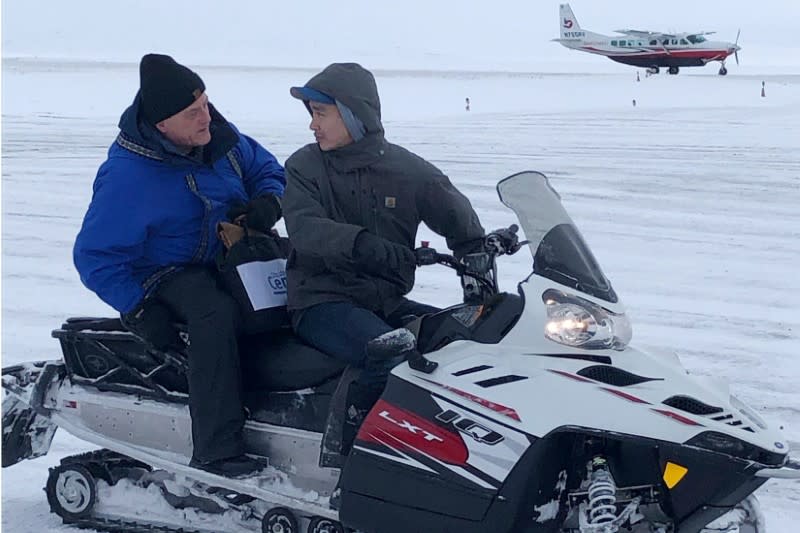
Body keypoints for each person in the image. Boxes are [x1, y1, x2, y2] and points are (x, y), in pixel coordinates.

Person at [73, 54, 286, 477]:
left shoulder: (222, 141)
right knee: (215, 312)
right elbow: (94, 256)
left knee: (289, 291)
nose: (206, 116)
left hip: (225, 255)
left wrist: (267, 201)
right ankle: (216, 450)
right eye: (193, 112)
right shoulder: (128, 176)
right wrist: (137, 307)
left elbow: (268, 169)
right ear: (162, 124)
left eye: (206, 103)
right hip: (160, 272)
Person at [283, 63, 486, 457]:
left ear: (353, 114)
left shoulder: (405, 169)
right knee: (390, 349)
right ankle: (355, 452)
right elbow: (304, 228)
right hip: (322, 301)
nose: (313, 125)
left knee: (464, 339)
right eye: (311, 114)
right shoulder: (304, 167)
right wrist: (362, 245)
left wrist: (477, 256)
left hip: (386, 301)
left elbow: (457, 217)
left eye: (321, 113)